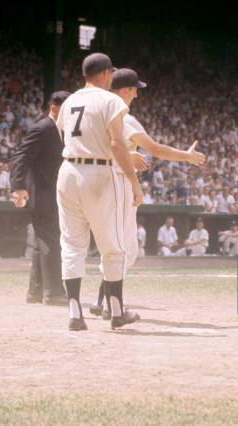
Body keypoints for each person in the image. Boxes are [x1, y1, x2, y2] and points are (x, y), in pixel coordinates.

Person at [89, 68, 205, 317]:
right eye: (134, 90)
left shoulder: (98, 114)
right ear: (125, 91)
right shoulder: (124, 117)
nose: (137, 96)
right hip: (118, 185)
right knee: (124, 250)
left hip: (94, 183)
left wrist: (127, 155)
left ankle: (102, 302)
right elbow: (154, 149)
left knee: (113, 247)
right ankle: (109, 304)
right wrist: (187, 156)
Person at [55, 53, 143, 331]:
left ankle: (74, 313)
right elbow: (117, 144)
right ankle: (116, 311)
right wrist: (134, 181)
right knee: (113, 246)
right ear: (106, 74)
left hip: (68, 171)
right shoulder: (111, 100)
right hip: (100, 172)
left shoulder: (69, 101)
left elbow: (63, 136)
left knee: (71, 245)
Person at [10, 91, 71, 306]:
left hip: (52, 193)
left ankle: (35, 292)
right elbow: (21, 155)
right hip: (42, 193)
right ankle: (53, 292)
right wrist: (17, 186)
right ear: (54, 109)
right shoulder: (43, 127)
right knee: (51, 240)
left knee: (42, 241)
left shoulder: (62, 129)